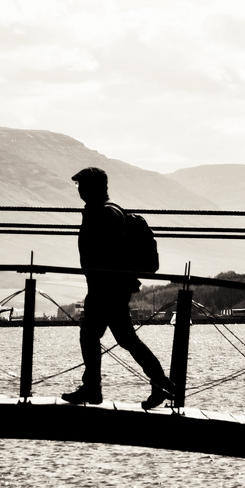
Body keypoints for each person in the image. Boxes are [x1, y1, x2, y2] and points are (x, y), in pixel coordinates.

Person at [62, 167, 174, 410]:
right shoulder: (103, 211)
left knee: (93, 335)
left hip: (106, 287)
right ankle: (160, 383)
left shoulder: (105, 214)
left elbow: (113, 252)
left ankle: (94, 388)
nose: (79, 189)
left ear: (95, 187)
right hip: (109, 286)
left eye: (82, 184)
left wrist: (104, 281)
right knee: (123, 338)